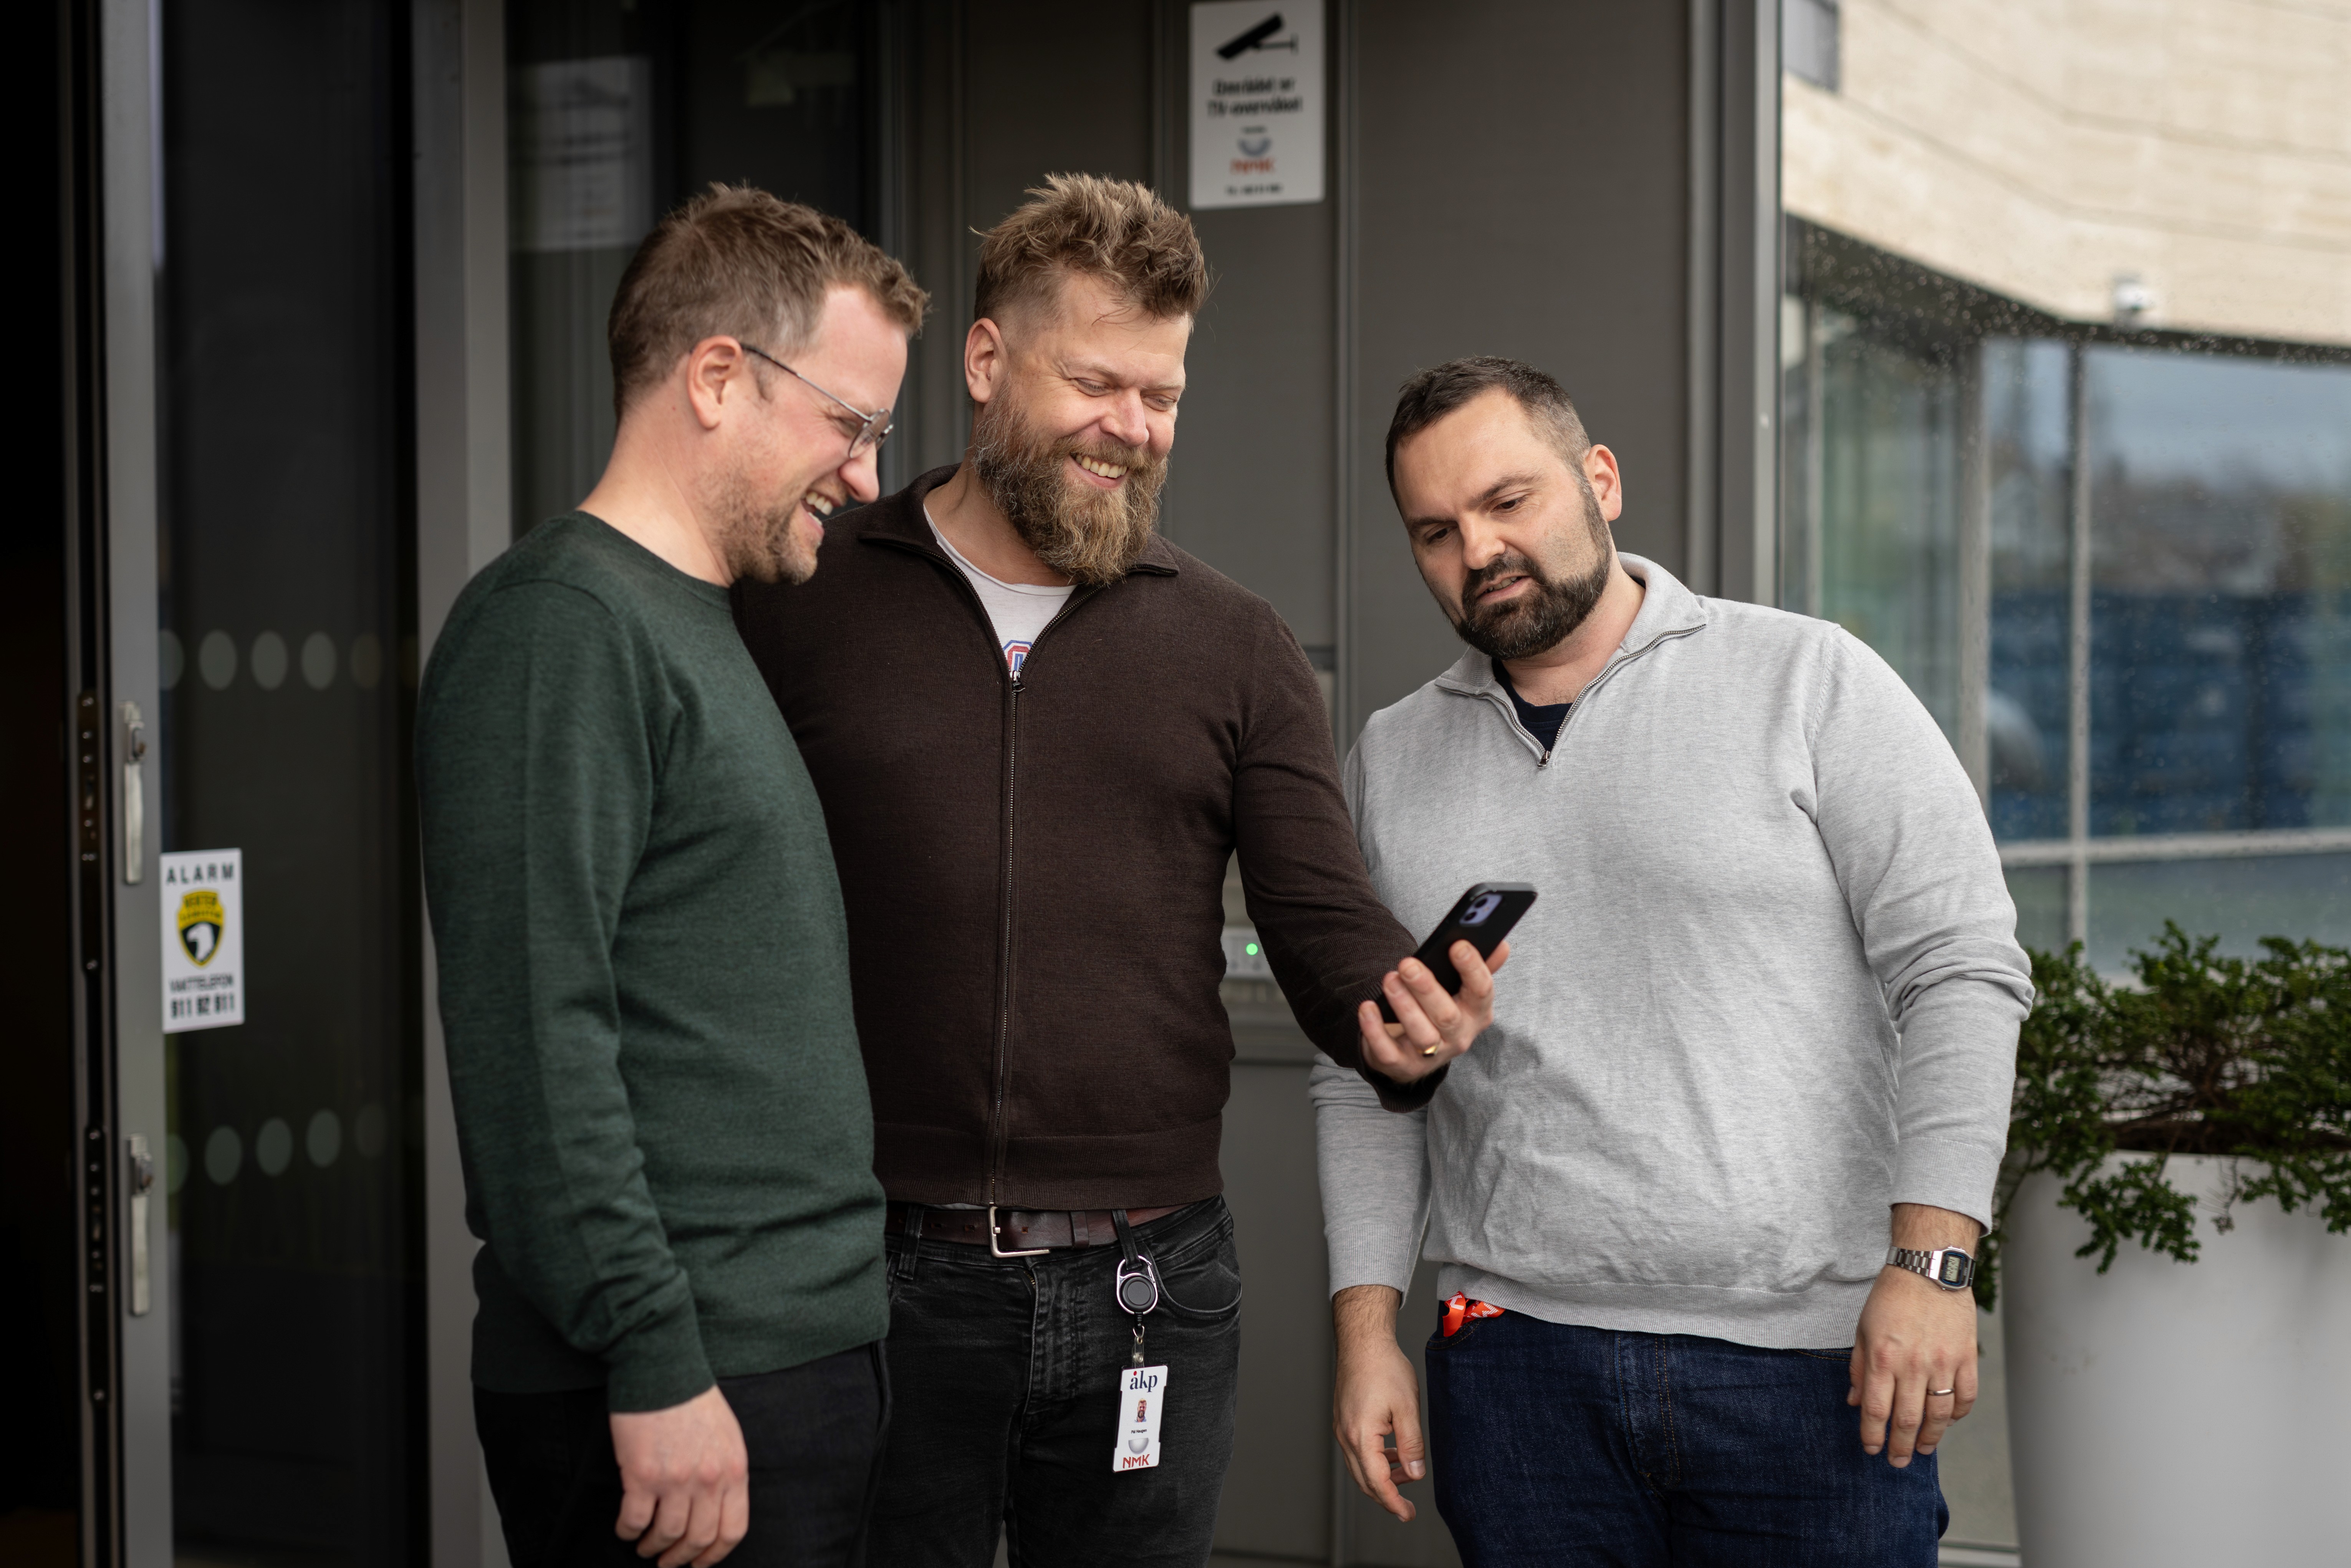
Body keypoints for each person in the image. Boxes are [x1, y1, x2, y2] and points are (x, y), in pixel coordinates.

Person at [732, 174, 1503, 1568]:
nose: (1132, 429)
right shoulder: (808, 594)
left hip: (1156, 1284)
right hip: (872, 1272)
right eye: (1096, 381)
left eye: (1162, 395)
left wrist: (1403, 1021)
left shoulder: (1231, 642)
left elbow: (1325, 926)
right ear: (983, 360)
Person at [1314, 356, 2032, 1566]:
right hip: (1517, 1364)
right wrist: (1366, 1327)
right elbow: (1362, 1069)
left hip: (1810, 1365)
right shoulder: (1390, 756)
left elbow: (1961, 967)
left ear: (1599, 479)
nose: (1478, 548)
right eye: (1434, 530)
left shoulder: (1808, 680)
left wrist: (1932, 1261)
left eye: (1508, 500)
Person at [417, 187, 927, 1568]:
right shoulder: (557, 632)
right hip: (678, 1391)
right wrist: (651, 1353)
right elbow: (535, 1036)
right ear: (718, 376)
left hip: (784, 1365)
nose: (867, 476)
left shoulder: (696, 625)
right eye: (852, 423)